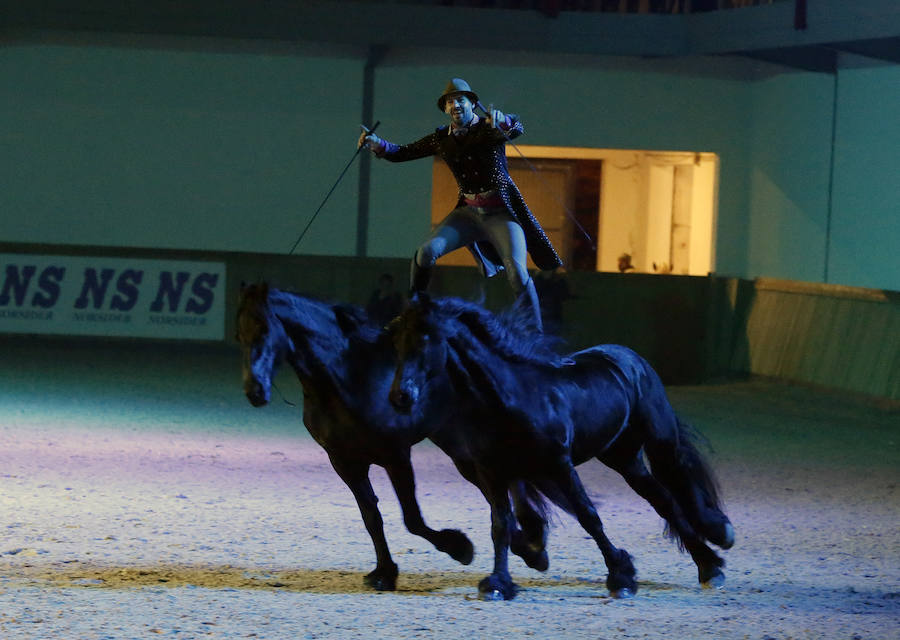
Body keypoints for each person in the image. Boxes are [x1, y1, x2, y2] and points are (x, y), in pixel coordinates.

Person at [358, 78, 561, 332]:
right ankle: (412, 312)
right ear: (445, 109)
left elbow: (516, 127)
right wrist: (378, 144)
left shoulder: (489, 128)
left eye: (461, 100)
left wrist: (504, 121)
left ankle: (536, 334)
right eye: (450, 102)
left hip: (501, 214)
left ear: (473, 104)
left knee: (517, 272)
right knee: (426, 253)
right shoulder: (442, 138)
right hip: (468, 214)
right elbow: (403, 152)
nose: (455, 105)